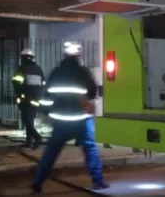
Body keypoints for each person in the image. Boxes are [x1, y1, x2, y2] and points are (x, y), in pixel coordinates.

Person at [31, 42, 109, 194]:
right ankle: (98, 181)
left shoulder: (55, 73)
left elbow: (46, 97)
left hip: (61, 122)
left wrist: (49, 112)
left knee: (51, 152)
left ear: (64, 55)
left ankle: (38, 182)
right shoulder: (83, 72)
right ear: (78, 55)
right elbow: (93, 93)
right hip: (81, 119)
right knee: (90, 149)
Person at [12, 48, 45, 149]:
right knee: (30, 120)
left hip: (25, 99)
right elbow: (43, 83)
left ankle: (37, 138)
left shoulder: (22, 69)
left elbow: (16, 84)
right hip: (36, 99)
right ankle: (29, 143)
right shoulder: (38, 69)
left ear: (23, 58)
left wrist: (20, 96)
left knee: (26, 120)